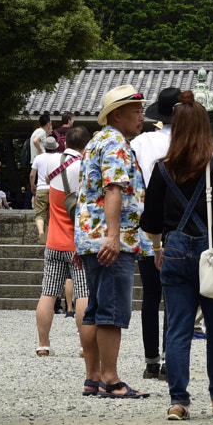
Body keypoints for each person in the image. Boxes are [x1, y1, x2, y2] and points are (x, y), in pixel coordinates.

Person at [141, 95, 213, 419]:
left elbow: (151, 221)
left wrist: (158, 249)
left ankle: (178, 402)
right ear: (204, 127)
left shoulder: (162, 169)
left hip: (175, 250)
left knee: (178, 328)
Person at [80, 83, 151, 401]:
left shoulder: (98, 140)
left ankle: (93, 376)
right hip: (112, 240)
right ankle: (110, 377)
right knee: (110, 311)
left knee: (95, 310)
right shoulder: (115, 143)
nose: (142, 116)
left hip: (91, 237)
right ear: (117, 114)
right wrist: (113, 236)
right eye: (136, 111)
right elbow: (114, 189)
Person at [134, 86, 181, 380]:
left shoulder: (140, 142)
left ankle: (151, 361)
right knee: (175, 297)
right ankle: (169, 359)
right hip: (178, 225)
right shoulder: (190, 143)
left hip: (146, 223)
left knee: (150, 295)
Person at [35, 125, 89, 356]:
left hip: (53, 241)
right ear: (86, 146)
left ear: (65, 143)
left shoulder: (52, 163)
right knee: (83, 294)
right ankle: (85, 347)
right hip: (77, 244)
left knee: (48, 293)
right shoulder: (84, 167)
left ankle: (43, 345)